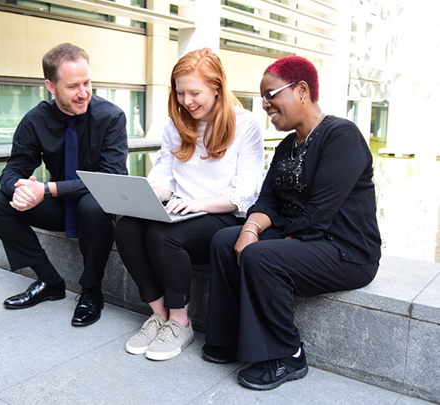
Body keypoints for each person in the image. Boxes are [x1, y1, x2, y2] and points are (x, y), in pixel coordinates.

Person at [202, 55, 382, 390]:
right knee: (225, 241)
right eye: (263, 98)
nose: (266, 104)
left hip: (346, 250)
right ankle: (228, 339)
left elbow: (320, 213)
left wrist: (267, 246)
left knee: (261, 257)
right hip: (306, 238)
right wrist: (250, 230)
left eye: (271, 95)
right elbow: (267, 199)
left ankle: (288, 355)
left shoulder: (342, 136)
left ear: (301, 90)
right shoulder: (288, 145)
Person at [113, 48, 264, 361]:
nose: (187, 101)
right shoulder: (177, 123)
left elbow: (245, 193)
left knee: (162, 235)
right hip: (181, 210)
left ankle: (181, 321)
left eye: (195, 93)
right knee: (127, 226)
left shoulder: (246, 125)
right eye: (180, 92)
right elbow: (164, 174)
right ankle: (159, 314)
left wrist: (197, 204)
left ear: (217, 87)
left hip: (224, 215)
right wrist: (151, 195)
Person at [0, 43, 128, 327]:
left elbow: (112, 180)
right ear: (51, 86)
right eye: (73, 86)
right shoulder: (36, 120)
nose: (83, 92)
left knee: (94, 205)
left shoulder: (111, 118)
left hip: (96, 208)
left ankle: (91, 291)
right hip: (60, 209)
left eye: (87, 83)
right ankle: (49, 281)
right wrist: (20, 192)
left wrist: (46, 189)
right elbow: (13, 170)